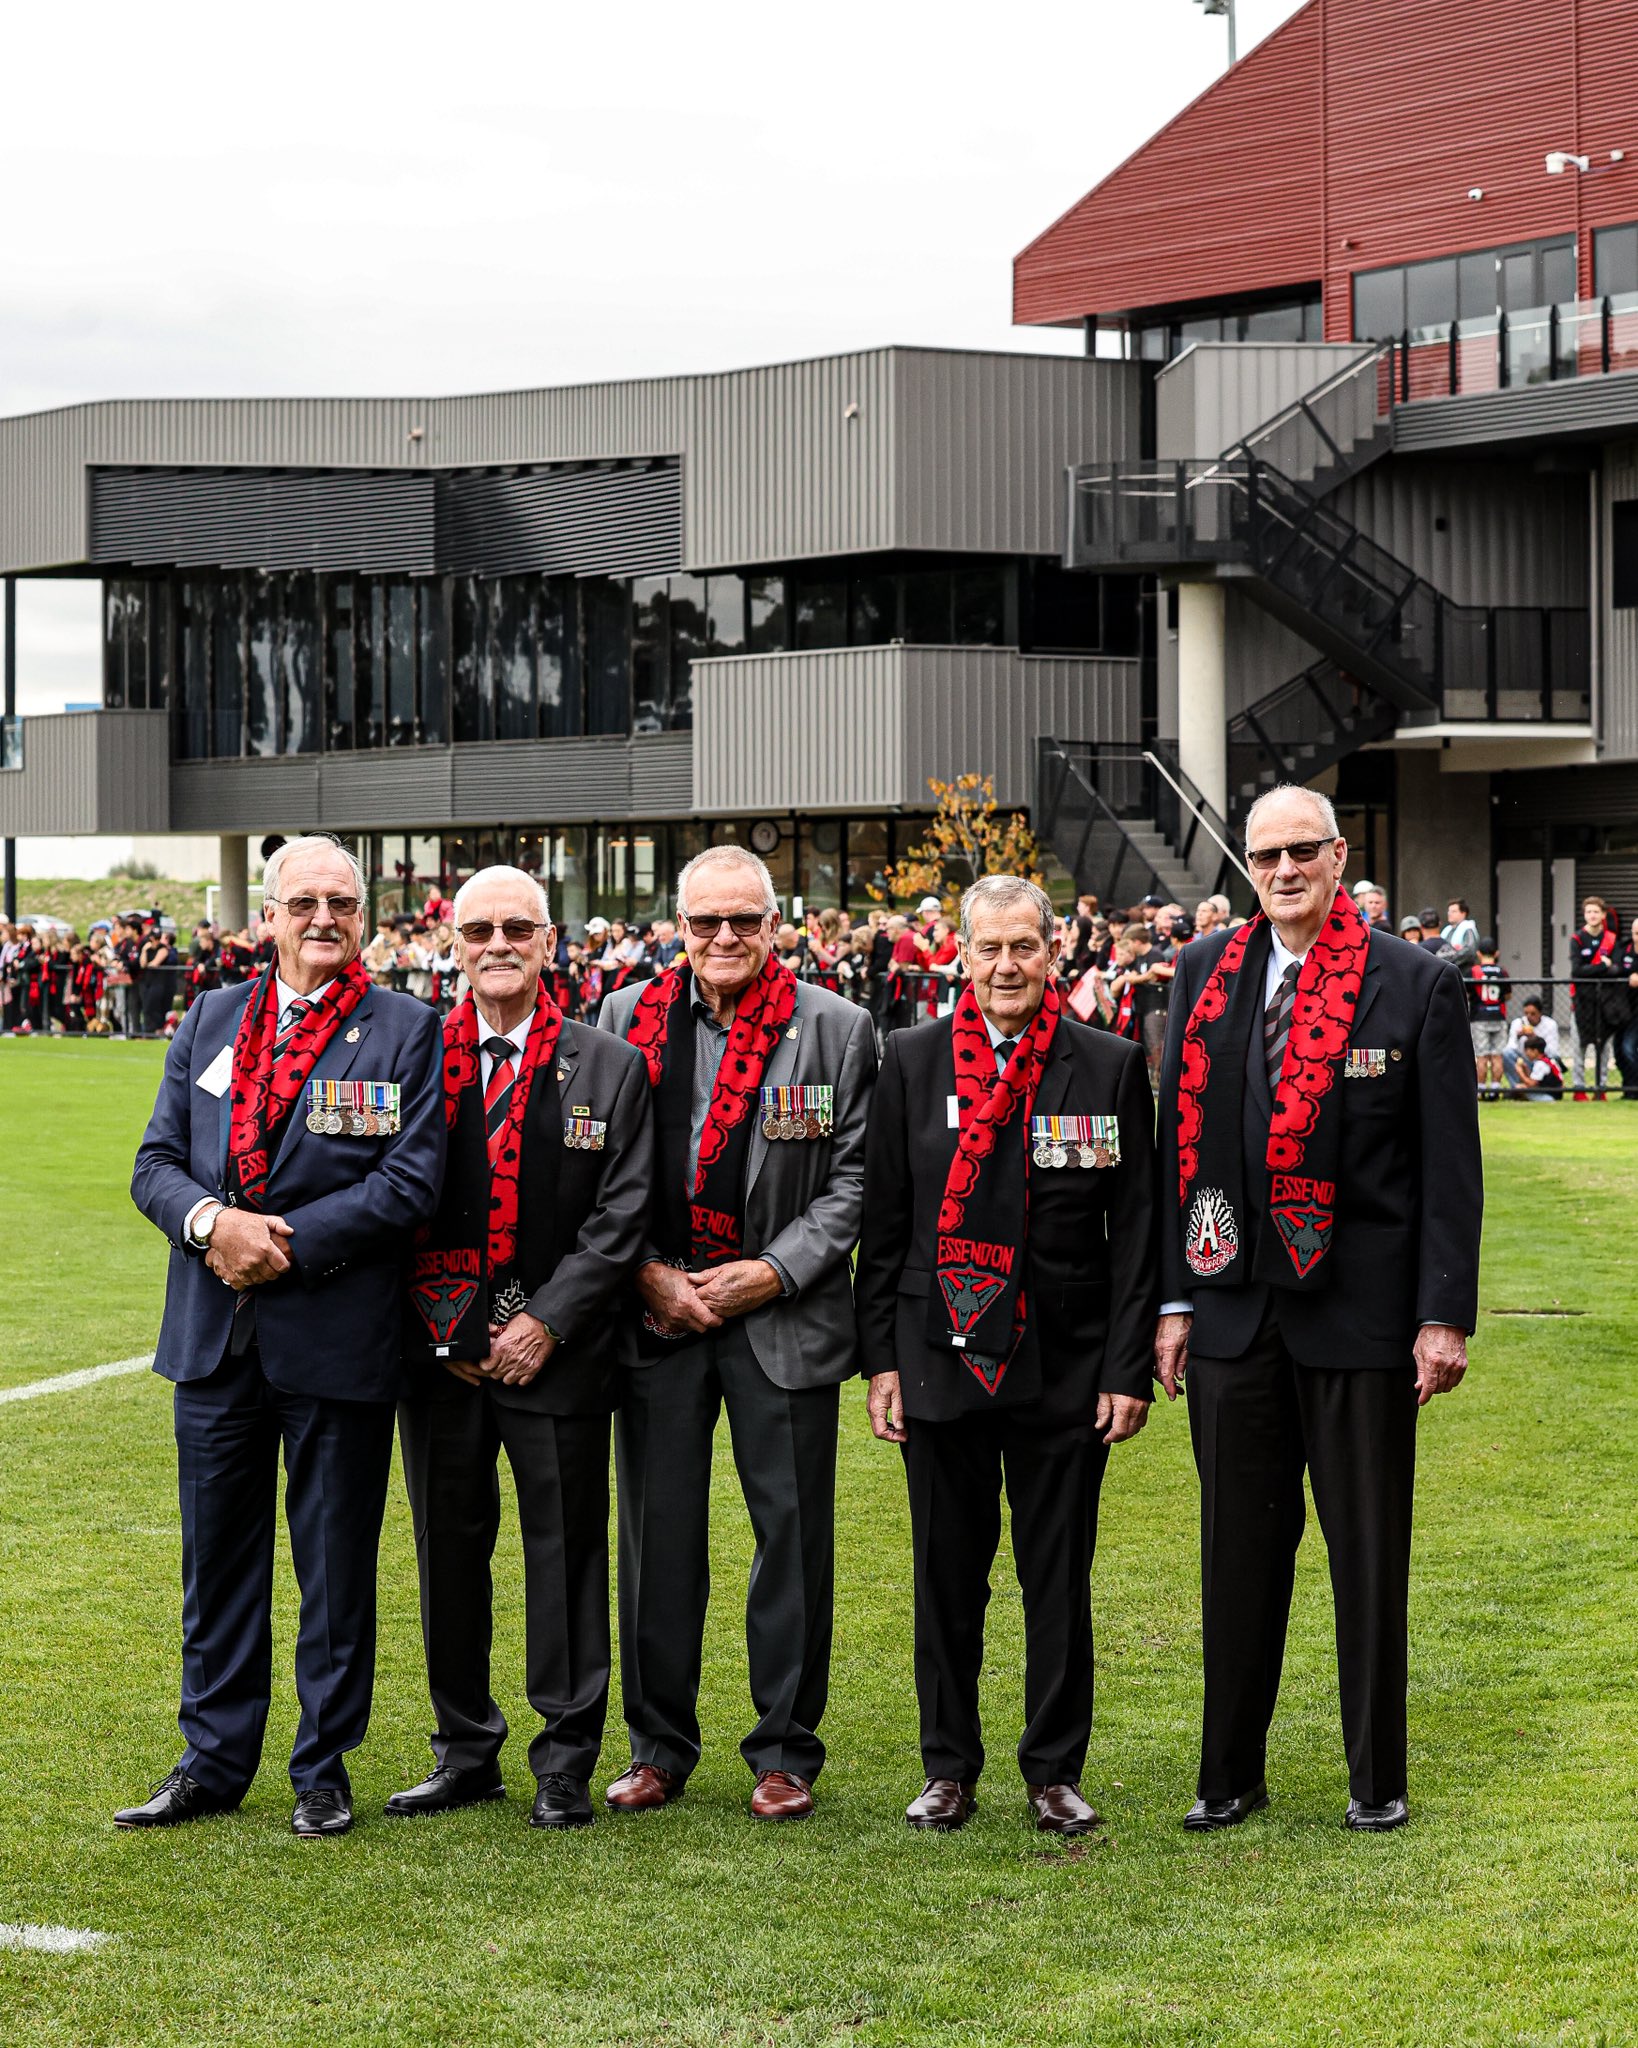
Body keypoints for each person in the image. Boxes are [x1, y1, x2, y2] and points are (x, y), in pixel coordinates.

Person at [1154, 784, 1481, 1834]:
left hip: (1362, 1316)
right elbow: (1177, 1149)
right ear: (1245, 865)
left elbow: (1447, 1168)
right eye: (1265, 855)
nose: (1284, 870)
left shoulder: (1414, 982)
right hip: (1233, 1312)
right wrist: (1174, 1297)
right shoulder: (1205, 972)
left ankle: (1375, 1778)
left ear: (1340, 856)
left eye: (1303, 850)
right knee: (1236, 1552)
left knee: (1366, 1551)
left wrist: (1444, 1314)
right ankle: (1229, 1773)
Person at [122, 835, 445, 1838]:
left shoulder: (407, 1028)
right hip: (214, 1335)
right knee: (216, 1562)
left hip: (335, 1331)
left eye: (340, 901)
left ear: (366, 915)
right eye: (301, 900)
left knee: (335, 1564)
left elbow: (409, 1180)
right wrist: (215, 1224)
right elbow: (157, 1160)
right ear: (265, 916)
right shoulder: (212, 1017)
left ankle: (322, 1765)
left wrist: (283, 1243)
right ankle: (212, 1760)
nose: (322, 917)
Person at [855, 875, 1156, 1837]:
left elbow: (1137, 1232)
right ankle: (948, 1768)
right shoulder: (908, 1059)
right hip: (938, 1353)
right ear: (962, 957)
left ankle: (1054, 1770)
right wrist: (882, 1362)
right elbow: (886, 1223)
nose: (1006, 965)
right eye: (989, 948)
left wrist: (1124, 1370)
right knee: (946, 1574)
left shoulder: (1107, 1065)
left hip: (1064, 1366)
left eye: (1023, 946)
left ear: (1052, 952)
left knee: (1056, 1576)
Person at [598, 845, 877, 1822]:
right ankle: (657, 1746)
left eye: (744, 920)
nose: (725, 938)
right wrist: (646, 1272)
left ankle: (785, 1751)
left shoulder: (839, 1029)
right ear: (679, 925)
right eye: (706, 920)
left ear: (776, 923)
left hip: (784, 1316)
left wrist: (774, 1268)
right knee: (656, 1538)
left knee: (792, 1538)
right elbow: (595, 1168)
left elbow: (857, 1180)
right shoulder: (623, 1019)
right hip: (657, 1314)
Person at [391, 866, 653, 1832]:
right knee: (446, 1550)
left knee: (568, 1553)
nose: (496, 944)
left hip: (561, 1354)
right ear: (451, 943)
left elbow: (622, 1217)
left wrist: (546, 1320)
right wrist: (444, 1325)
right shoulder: (413, 1054)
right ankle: (464, 1751)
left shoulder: (609, 1063)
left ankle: (566, 1758)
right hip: (442, 1358)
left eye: (517, 928)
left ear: (551, 942)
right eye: (477, 929)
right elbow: (387, 1196)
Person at [1570, 898, 1624, 1095]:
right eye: (1588, 912)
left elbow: (1617, 970)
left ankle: (1600, 1088)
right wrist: (1602, 966)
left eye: (1596, 912)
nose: (1592, 915)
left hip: (1605, 1003)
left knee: (1603, 1047)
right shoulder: (1577, 939)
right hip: (1582, 1002)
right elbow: (1577, 971)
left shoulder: (1611, 939)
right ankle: (1579, 1088)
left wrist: (1598, 969)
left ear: (1603, 915)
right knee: (1579, 1047)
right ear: (1584, 915)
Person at [1466, 938, 1511, 1096]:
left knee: (1482, 1055)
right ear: (1496, 953)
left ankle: (1481, 1089)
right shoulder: (1502, 972)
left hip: (1479, 1016)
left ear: (1478, 953)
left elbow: (1468, 993)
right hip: (1498, 1015)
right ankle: (1495, 1089)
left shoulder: (1474, 972)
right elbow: (1508, 994)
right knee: (1497, 1054)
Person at [1508, 1032, 1564, 1100]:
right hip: (1555, 1093)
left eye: (1527, 1050)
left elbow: (1531, 1084)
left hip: (1549, 1096)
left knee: (1519, 1088)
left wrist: (1520, 1072)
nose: (1526, 1053)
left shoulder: (1540, 1064)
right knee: (1521, 1087)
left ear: (1535, 1051)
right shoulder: (1547, 1060)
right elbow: (1534, 1080)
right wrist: (1525, 1069)